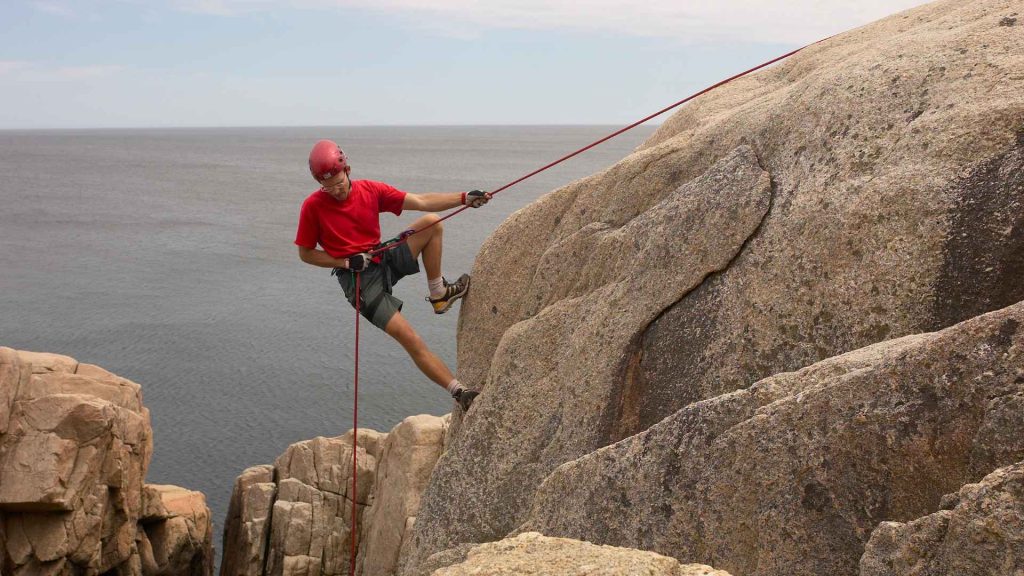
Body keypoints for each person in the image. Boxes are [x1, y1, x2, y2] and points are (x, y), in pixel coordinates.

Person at [295, 139, 491, 412]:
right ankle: (459, 392)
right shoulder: (313, 207)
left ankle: (439, 294)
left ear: (348, 169)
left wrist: (463, 198)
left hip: (379, 256)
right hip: (358, 279)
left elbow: (421, 201)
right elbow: (305, 253)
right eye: (328, 188)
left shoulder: (370, 191)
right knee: (410, 338)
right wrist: (344, 261)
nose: (336, 192)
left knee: (431, 223)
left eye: (339, 184)